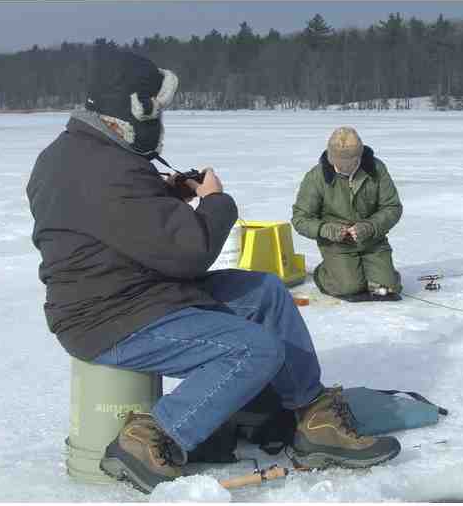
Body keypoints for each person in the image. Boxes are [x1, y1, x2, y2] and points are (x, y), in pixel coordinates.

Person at [26, 49, 400, 494]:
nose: (160, 120)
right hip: (110, 318)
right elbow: (188, 253)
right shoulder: (105, 170)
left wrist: (163, 194)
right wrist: (216, 203)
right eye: (156, 109)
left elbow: (117, 221)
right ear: (134, 109)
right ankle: (149, 437)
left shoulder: (79, 154)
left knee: (264, 291)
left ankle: (314, 419)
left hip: (136, 291)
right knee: (254, 349)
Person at [292, 127, 403, 302]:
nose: (341, 167)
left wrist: (370, 226)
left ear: (358, 157)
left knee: (386, 290)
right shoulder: (316, 176)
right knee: (349, 288)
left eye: (347, 163)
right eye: (336, 161)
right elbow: (300, 218)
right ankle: (323, 273)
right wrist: (325, 229)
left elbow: (392, 207)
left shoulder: (376, 169)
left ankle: (379, 270)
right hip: (337, 244)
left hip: (372, 241)